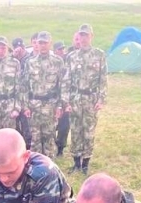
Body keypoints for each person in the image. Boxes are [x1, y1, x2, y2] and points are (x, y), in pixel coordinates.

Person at [63, 24, 107, 175]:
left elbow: (103, 79)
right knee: (75, 131)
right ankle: (76, 162)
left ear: (91, 37)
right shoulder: (71, 56)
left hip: (91, 99)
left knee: (88, 131)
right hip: (75, 98)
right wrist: (66, 101)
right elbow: (66, 81)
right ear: (78, 37)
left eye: (86, 35)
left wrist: (101, 99)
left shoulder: (99, 55)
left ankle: (85, 164)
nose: (83, 38)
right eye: (81, 35)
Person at [22, 31, 65, 158]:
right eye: (40, 43)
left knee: (49, 136)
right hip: (34, 105)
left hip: (50, 105)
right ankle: (36, 163)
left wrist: (60, 106)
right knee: (35, 137)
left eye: (45, 43)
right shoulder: (30, 62)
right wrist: (25, 106)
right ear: (37, 44)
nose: (43, 45)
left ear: (50, 43)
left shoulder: (58, 62)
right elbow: (24, 86)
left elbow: (62, 85)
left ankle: (48, 164)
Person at [52, 40, 70, 158]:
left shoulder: (67, 63)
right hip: (53, 99)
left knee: (64, 126)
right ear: (54, 51)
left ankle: (60, 148)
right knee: (53, 125)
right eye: (59, 49)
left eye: (63, 49)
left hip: (65, 99)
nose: (61, 51)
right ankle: (52, 145)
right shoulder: (52, 63)